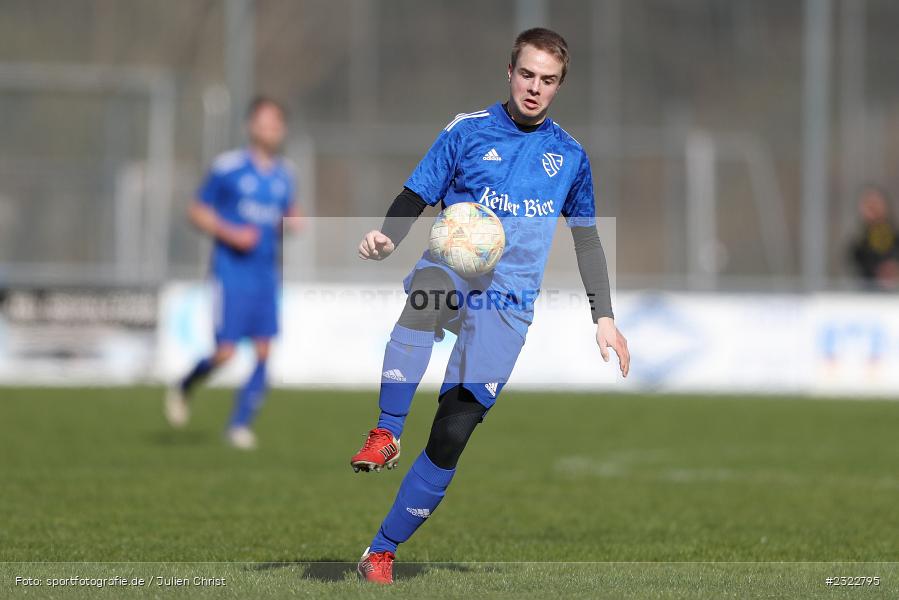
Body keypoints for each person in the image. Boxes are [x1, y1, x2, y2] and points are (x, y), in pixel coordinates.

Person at [350, 28, 630, 584]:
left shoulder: (570, 157)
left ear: (559, 85)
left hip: (508, 301)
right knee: (425, 302)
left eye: (547, 80)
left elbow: (587, 239)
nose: (535, 88)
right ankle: (385, 432)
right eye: (527, 75)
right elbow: (416, 192)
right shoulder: (467, 131)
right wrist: (388, 235)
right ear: (509, 72)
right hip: (451, 268)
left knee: (452, 434)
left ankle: (380, 551)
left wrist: (604, 316)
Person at [165, 96, 302, 450]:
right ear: (250, 126)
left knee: (264, 350)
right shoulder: (228, 168)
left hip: (266, 274)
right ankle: (185, 385)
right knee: (225, 352)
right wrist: (231, 233)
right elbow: (196, 211)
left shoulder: (286, 174)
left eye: (276, 124)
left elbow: (290, 212)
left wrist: (295, 222)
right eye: (263, 122)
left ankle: (239, 425)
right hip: (231, 273)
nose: (270, 129)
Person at [849, 185, 899, 291]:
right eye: (868, 206)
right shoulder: (858, 246)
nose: (873, 210)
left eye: (876, 204)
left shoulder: (895, 239)